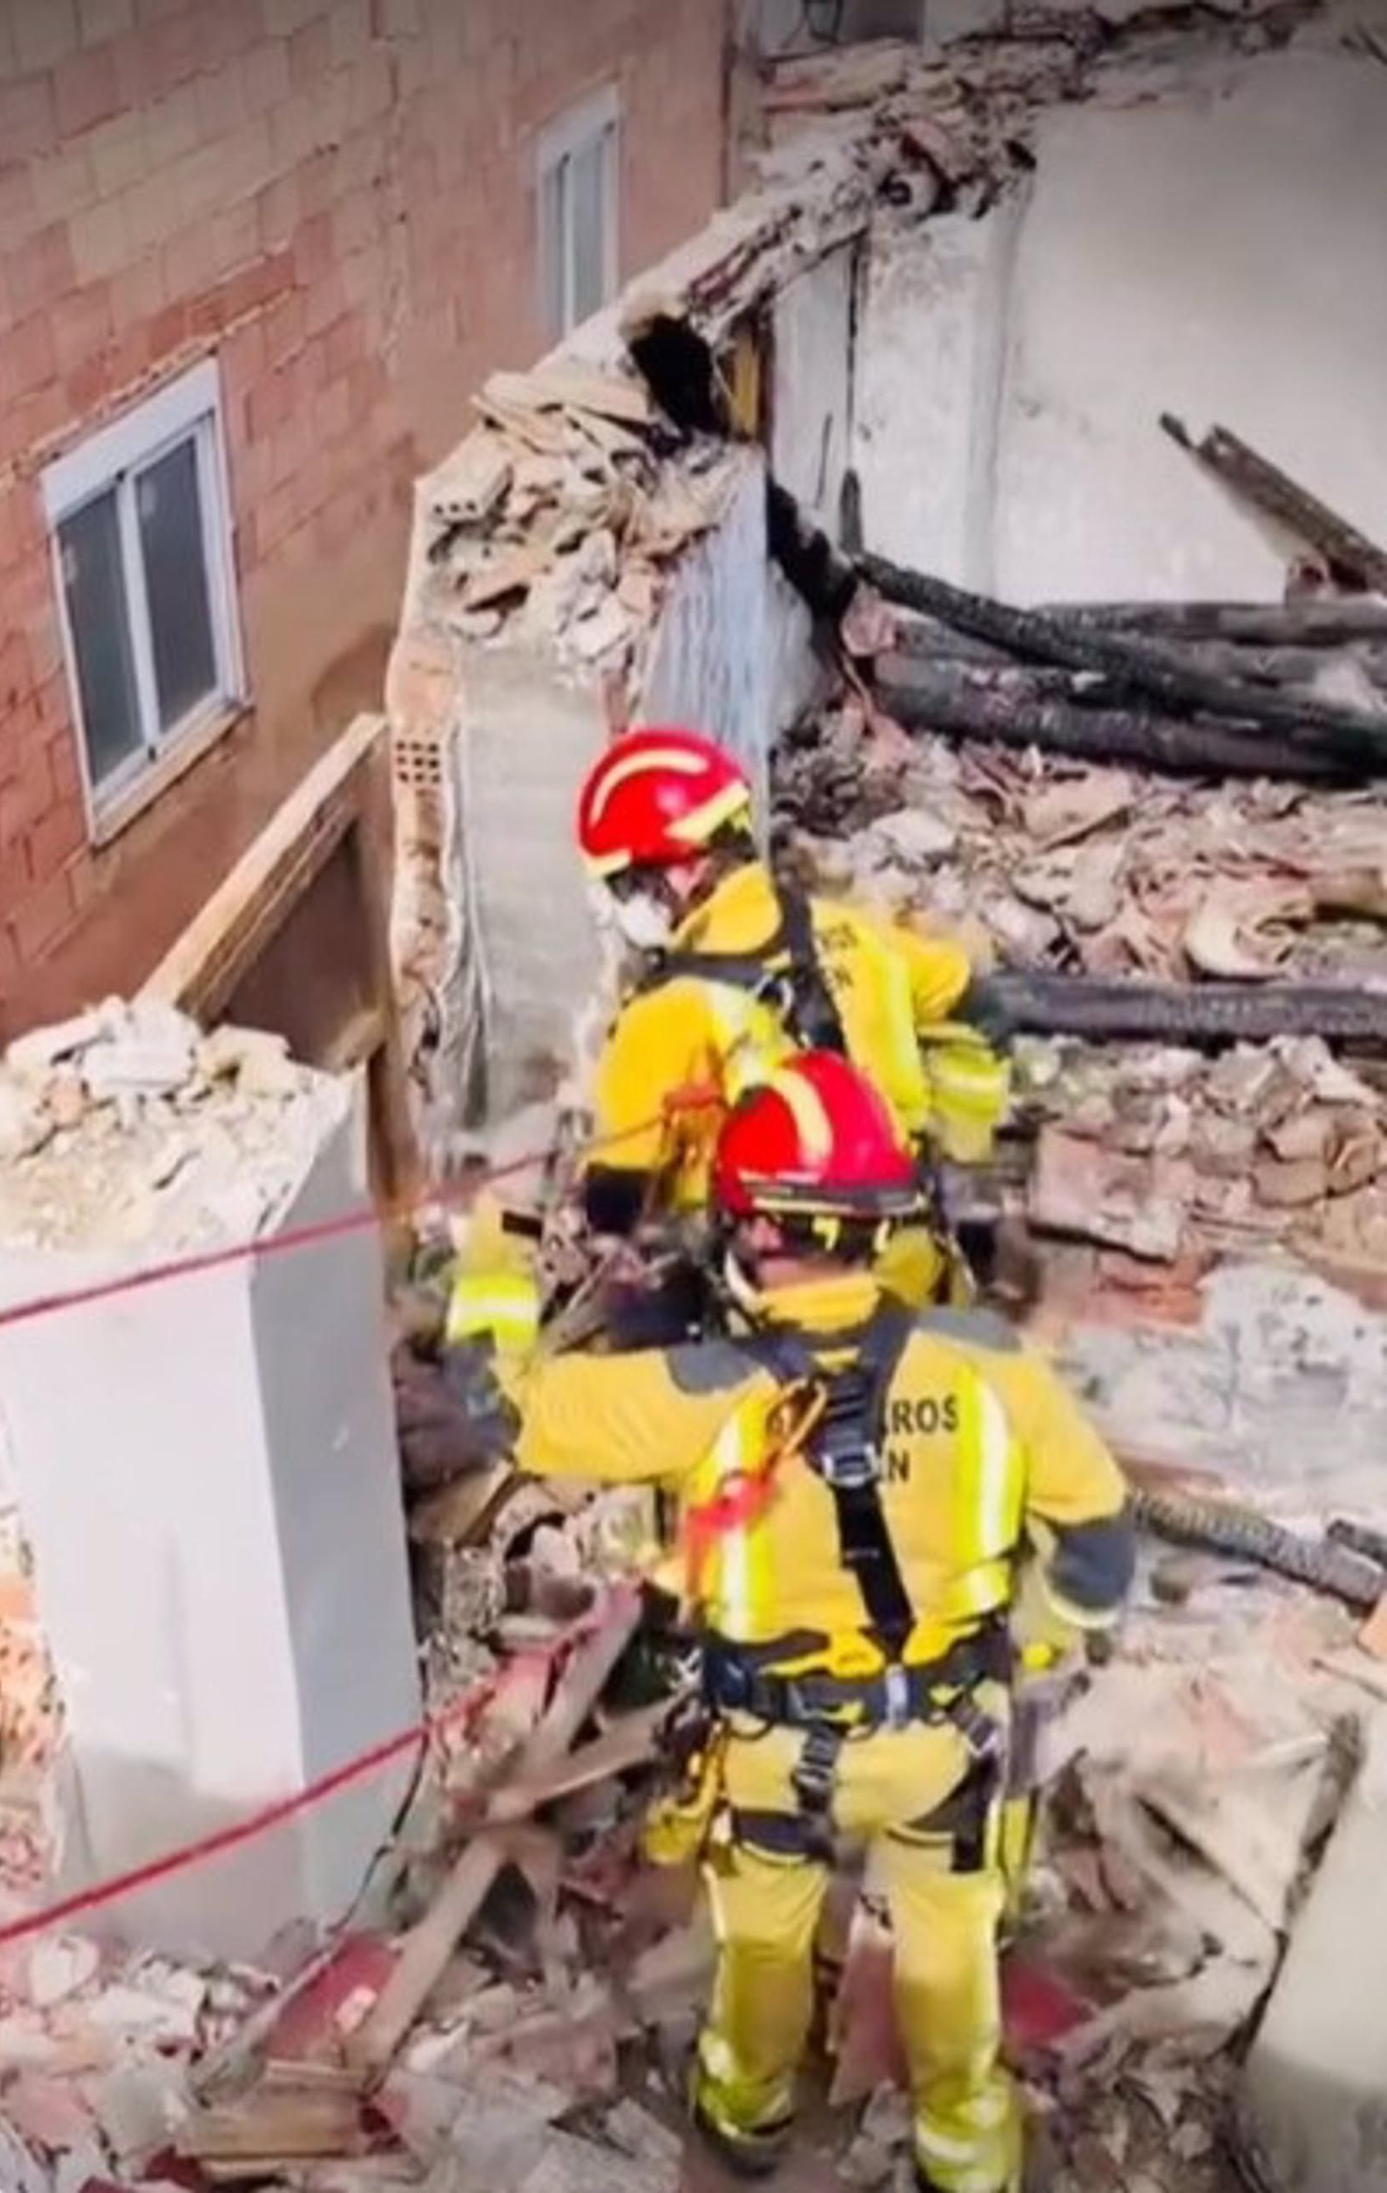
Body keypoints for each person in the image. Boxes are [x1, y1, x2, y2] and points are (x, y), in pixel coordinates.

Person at [445, 1052, 1133, 2191]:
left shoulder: (699, 1392)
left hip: (770, 1755)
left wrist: (492, 1243)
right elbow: (1101, 1549)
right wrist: (1034, 1647)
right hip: (946, 1745)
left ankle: (746, 2119)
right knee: (950, 1956)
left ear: (759, 1230)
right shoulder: (993, 1369)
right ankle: (967, 2155)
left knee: (762, 1946)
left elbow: (492, 1402)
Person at [574, 728, 1014, 1313]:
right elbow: (981, 1014)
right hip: (914, 1272)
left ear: (680, 873)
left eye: (625, 884)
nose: (622, 904)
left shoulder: (664, 1013)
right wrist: (967, 1174)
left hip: (774, 1302)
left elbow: (616, 1197)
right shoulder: (853, 933)